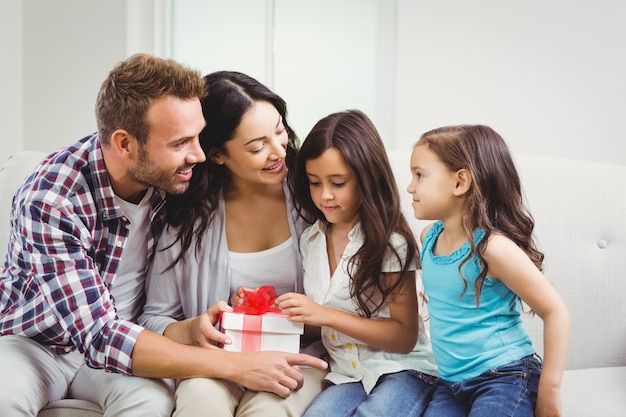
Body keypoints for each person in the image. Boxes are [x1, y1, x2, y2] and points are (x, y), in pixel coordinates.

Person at [0, 54, 326, 417]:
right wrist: (236, 365)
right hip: (37, 343)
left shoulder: (171, 184)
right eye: (181, 143)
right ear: (125, 144)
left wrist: (191, 329)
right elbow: (100, 335)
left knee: (151, 403)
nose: (199, 156)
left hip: (123, 348)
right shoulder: (51, 200)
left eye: (199, 137)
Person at [139, 70, 328, 417]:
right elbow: (153, 319)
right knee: (199, 405)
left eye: (279, 131)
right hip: (219, 359)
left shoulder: (315, 196)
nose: (278, 152)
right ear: (217, 155)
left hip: (301, 355)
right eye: (257, 146)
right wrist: (196, 327)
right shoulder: (188, 216)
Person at [276, 109, 439, 417]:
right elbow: (320, 324)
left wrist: (325, 315)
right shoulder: (310, 240)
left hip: (402, 369)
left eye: (338, 183)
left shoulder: (391, 242)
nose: (325, 196)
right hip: (345, 375)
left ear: (367, 179)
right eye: (314, 182)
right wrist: (269, 308)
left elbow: (404, 337)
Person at [407, 125, 571, 417]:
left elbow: (556, 311)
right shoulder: (428, 237)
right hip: (451, 385)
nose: (410, 186)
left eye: (419, 175)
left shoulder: (492, 249)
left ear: (460, 182)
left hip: (505, 377)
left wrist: (550, 391)